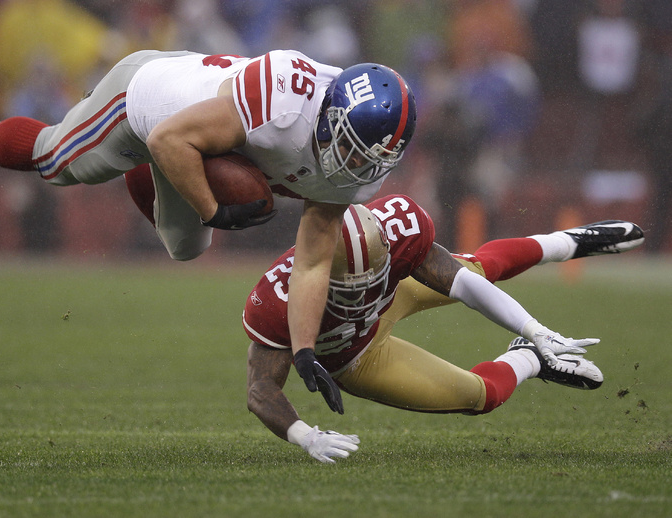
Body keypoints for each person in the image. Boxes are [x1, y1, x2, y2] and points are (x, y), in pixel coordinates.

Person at [0, 49, 417, 366]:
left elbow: (311, 261)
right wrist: (215, 210)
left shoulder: (360, 173)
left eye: (369, 157)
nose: (354, 165)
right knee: (56, 160)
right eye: (349, 146)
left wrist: (304, 350)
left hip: (193, 137)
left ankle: (156, 167)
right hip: (146, 103)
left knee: (186, 248)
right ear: (331, 114)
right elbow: (168, 134)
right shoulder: (282, 101)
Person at [243, 194, 644, 463]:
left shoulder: (399, 233)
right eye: (354, 286)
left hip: (393, 294)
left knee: (478, 268)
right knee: (480, 396)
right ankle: (529, 359)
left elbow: (467, 286)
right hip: (356, 358)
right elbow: (261, 389)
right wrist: (303, 435)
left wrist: (533, 324)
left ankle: (567, 242)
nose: (364, 288)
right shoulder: (278, 300)